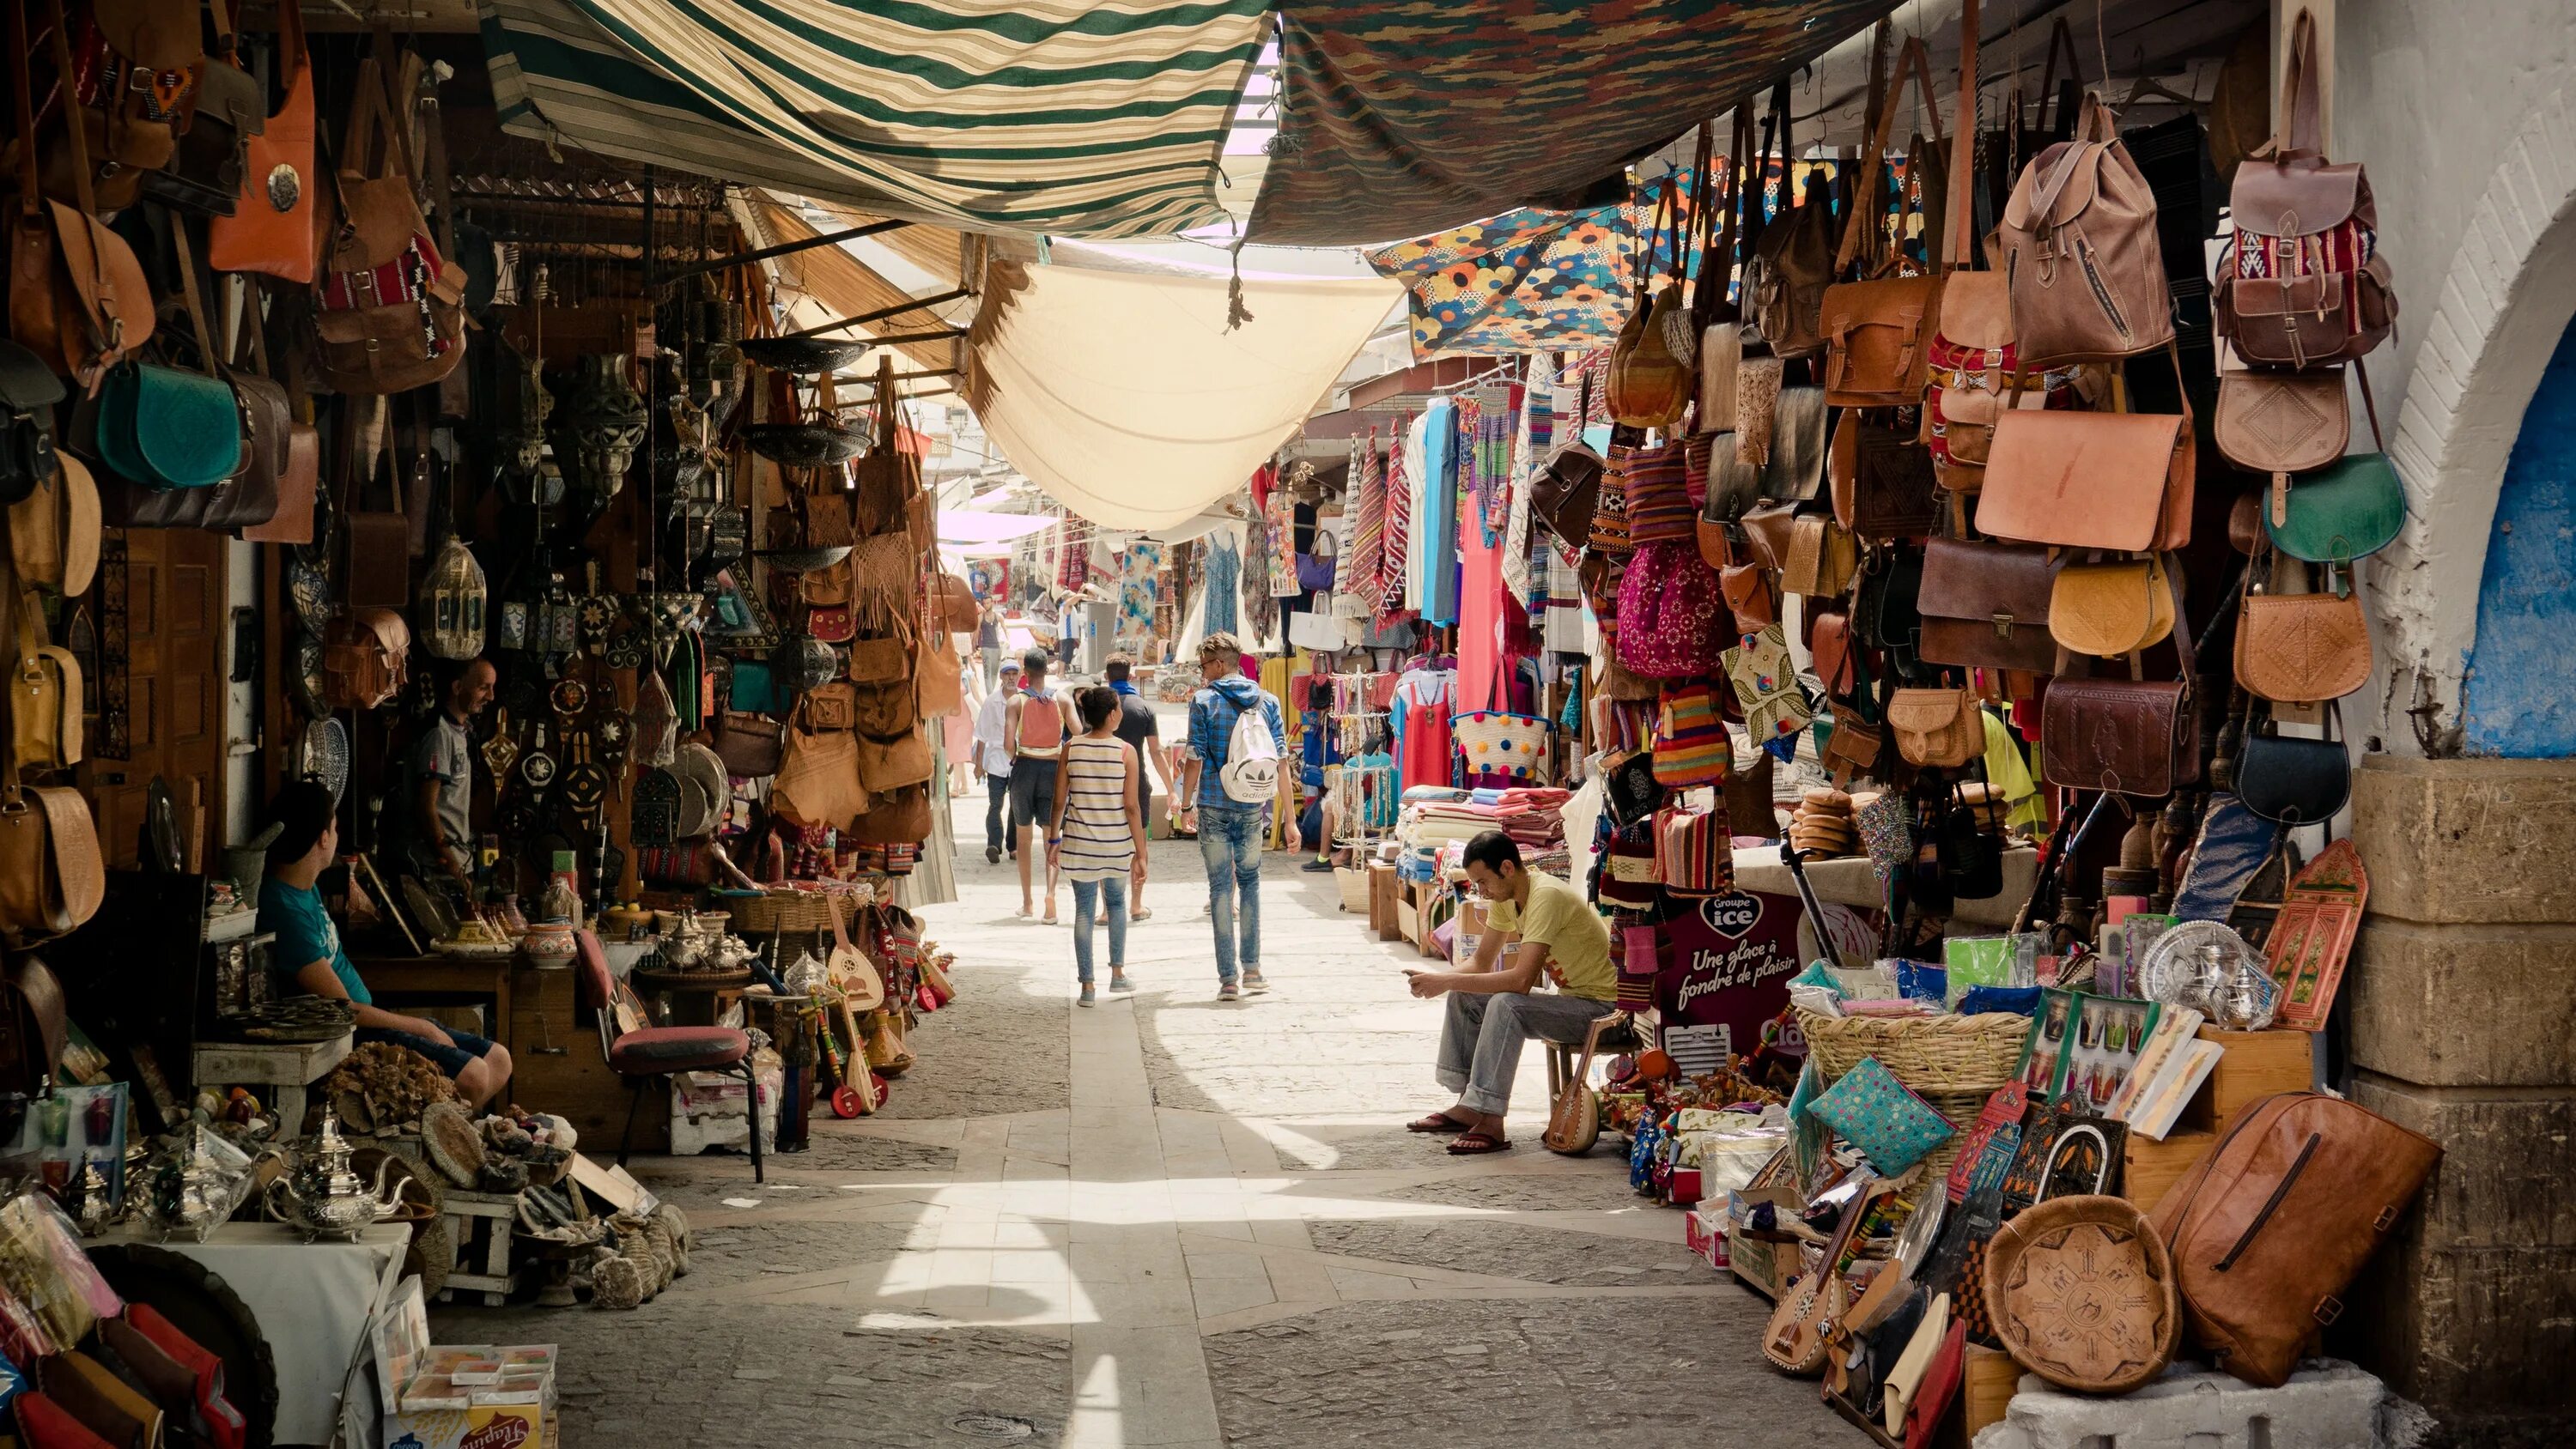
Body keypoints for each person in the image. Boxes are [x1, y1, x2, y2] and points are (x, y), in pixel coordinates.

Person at [258, 782, 514, 1109]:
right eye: (334, 828)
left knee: (499, 1059)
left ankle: (444, 1133)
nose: (336, 837)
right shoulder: (283, 909)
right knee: (474, 1076)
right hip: (352, 1035)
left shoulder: (304, 889)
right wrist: (419, 1025)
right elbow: (341, 1009)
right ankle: (436, 1137)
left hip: (368, 1022)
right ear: (323, 838)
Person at [1402, 830, 1616, 1155]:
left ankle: (1490, 1119)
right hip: (1575, 1002)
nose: (1480, 891)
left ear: (1506, 868)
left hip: (1605, 1011)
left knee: (1507, 1004)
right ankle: (1468, 1105)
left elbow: (1520, 982)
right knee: (1465, 997)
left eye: (1483, 882)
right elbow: (1479, 962)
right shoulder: (1507, 897)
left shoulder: (1545, 896)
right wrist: (1438, 978)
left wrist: (1444, 982)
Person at [1175, 632, 1289, 1001]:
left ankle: (1228, 979)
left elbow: (1195, 757)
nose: (1202, 673)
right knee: (1251, 883)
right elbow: (1282, 762)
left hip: (1213, 805)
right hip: (1253, 806)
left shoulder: (1204, 701)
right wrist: (1290, 818)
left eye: (1204, 666)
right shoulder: (1267, 701)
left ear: (1220, 664)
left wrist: (1186, 803)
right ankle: (1253, 970)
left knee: (1221, 888)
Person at [1048, 686, 1145, 1006]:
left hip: (1079, 844)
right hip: (1116, 844)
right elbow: (1132, 807)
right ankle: (1117, 975)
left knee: (1084, 912)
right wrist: (1141, 852)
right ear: (1112, 714)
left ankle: (1087, 987)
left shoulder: (1071, 748)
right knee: (1117, 905)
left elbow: (1059, 801)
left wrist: (1053, 839)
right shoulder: (1125, 751)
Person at [398, 658, 496, 897]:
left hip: (458, 862)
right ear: (457, 687)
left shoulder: (462, 731)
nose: (491, 697)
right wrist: (451, 864)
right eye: (483, 687)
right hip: (436, 869)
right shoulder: (439, 733)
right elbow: (426, 807)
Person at [1005, 647, 1078, 922]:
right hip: (1053, 769)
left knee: (1023, 840)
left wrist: (1018, 757)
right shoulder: (1062, 700)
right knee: (1053, 837)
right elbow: (1077, 736)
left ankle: (1027, 903)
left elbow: (1007, 743)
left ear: (1025, 672)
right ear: (1047, 670)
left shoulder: (1016, 702)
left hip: (1024, 769)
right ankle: (1051, 894)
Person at [1103, 653, 1176, 920]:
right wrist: (1170, 788)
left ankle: (1107, 909)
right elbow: (1156, 752)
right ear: (1131, 675)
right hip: (1137, 785)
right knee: (1139, 845)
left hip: (1104, 785)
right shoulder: (1143, 707)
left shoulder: (1100, 706)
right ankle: (1135, 904)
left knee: (1105, 845)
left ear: (1107, 676)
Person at [973, 659, 1021, 864]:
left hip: (1019, 760)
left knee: (1016, 806)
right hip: (995, 761)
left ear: (1019, 676)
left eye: (1014, 674)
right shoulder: (992, 702)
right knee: (995, 804)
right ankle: (994, 844)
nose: (1011, 677)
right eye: (1007, 674)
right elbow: (981, 735)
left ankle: (1013, 846)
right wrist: (978, 764)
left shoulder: (1023, 700)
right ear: (1001, 676)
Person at [975, 599, 1007, 691]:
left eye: (988, 603)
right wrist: (974, 644)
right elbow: (977, 632)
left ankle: (991, 694)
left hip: (997, 647)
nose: (986, 605)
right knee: (987, 673)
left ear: (992, 603)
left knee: (994, 673)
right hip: (986, 647)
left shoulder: (998, 616)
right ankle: (990, 696)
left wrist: (1008, 640)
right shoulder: (980, 617)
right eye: (984, 603)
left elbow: (1005, 629)